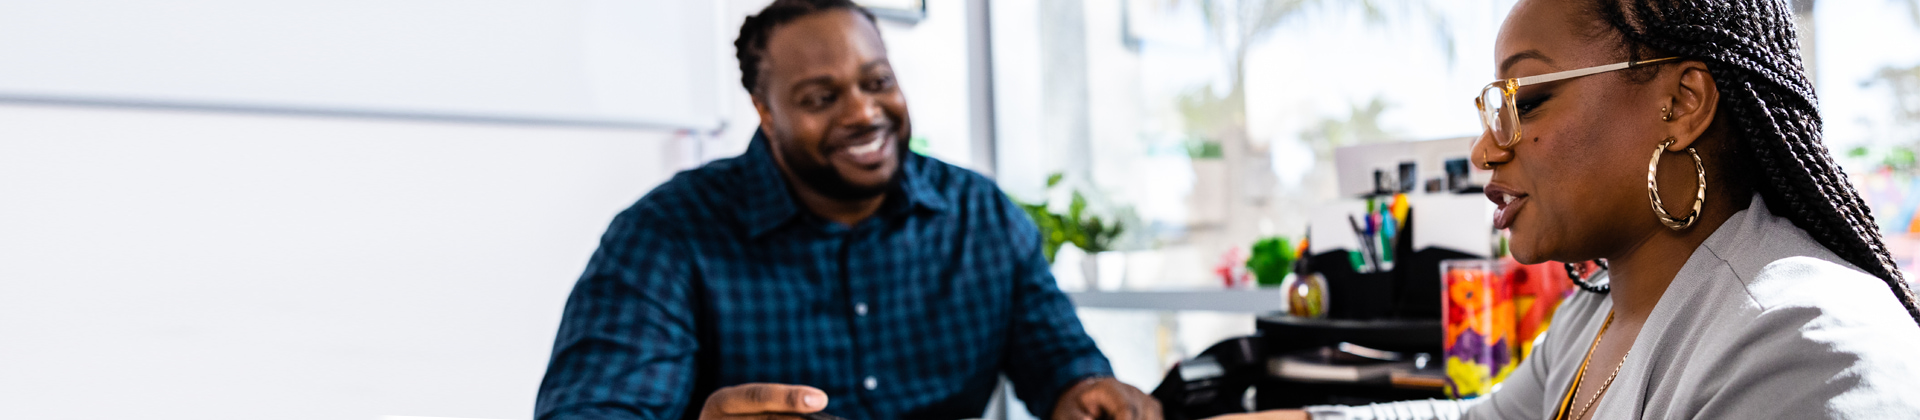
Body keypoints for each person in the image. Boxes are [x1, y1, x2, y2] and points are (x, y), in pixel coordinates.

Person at [1214, 0, 1920, 419]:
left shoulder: (1800, 347)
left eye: (1525, 100)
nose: (1485, 150)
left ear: (1681, 104)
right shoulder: (1599, 308)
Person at [532, 1, 1160, 419]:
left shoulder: (982, 217)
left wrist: (1085, 390)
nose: (862, 112)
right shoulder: (665, 236)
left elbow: (1059, 361)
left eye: (877, 81)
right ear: (764, 111)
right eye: (821, 96)